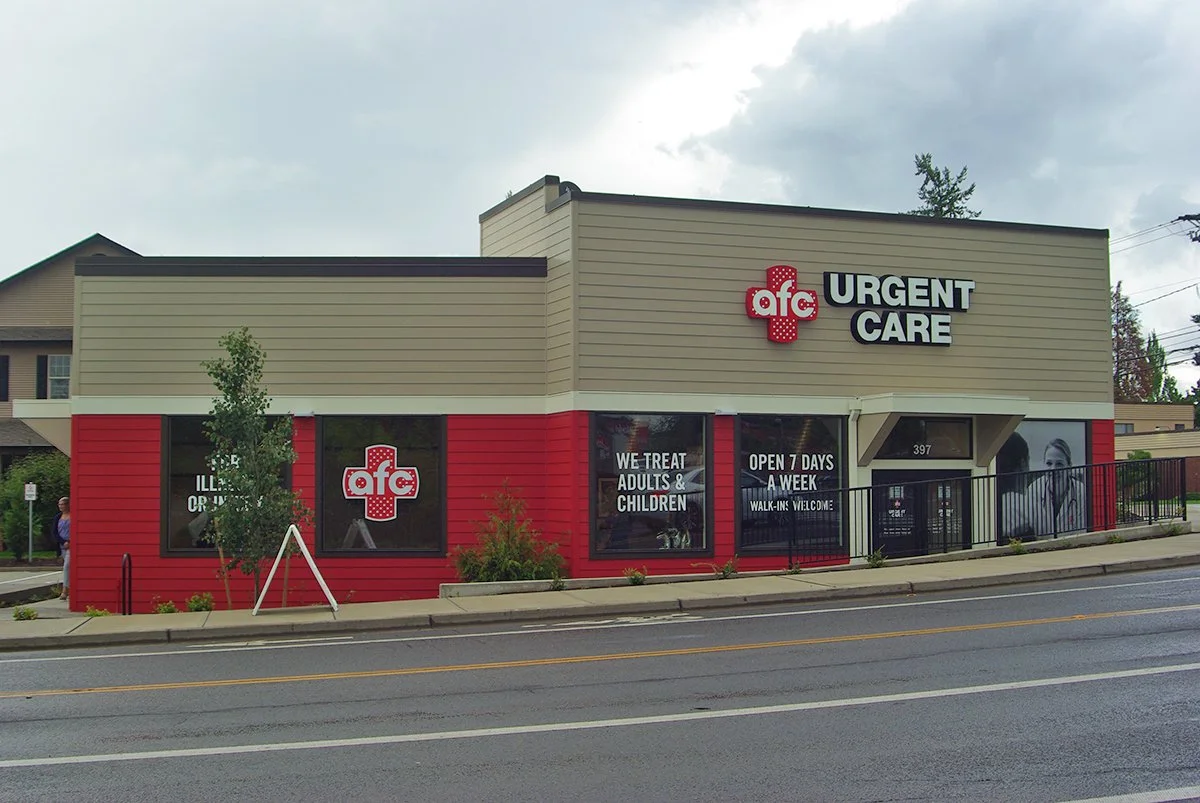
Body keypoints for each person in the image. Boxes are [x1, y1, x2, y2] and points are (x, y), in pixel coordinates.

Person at [1025, 439, 1086, 536]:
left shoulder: (1080, 491)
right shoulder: (1033, 490)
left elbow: (1082, 532)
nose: (1053, 469)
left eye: (1059, 464)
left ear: (1069, 466)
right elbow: (1031, 531)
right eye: (1049, 463)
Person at [53, 496, 71, 600]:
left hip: (71, 545)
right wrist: (62, 541)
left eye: (63, 504)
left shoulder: (73, 516)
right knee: (69, 568)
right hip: (62, 545)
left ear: (68, 504)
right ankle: (70, 588)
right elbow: (54, 532)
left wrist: (69, 541)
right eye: (59, 504)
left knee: (67, 566)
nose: (61, 506)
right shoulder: (57, 517)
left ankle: (65, 590)